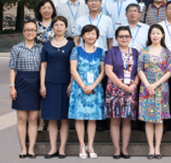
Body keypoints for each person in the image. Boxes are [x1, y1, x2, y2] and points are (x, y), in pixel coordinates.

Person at [39, 17, 74, 159]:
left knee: (65, 118)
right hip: (50, 84)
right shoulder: (47, 45)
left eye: (62, 25)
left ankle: (62, 148)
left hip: (66, 84)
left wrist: (71, 83)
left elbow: (74, 66)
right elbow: (43, 66)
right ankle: (53, 148)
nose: (59, 27)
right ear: (52, 28)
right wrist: (42, 84)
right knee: (52, 118)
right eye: (56, 25)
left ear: (66, 27)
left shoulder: (71, 45)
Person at [69, 24, 105, 159]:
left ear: (97, 36)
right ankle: (82, 145)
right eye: (88, 34)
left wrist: (93, 85)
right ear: (83, 36)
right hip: (79, 87)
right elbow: (73, 70)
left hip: (95, 88)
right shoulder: (76, 50)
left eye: (93, 34)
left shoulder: (101, 51)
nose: (91, 36)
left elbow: (103, 71)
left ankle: (90, 145)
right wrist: (84, 86)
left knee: (92, 118)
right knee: (79, 117)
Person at [138, 24, 171, 159]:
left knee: (159, 120)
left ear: (162, 35)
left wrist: (156, 84)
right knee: (148, 119)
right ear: (149, 35)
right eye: (153, 33)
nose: (155, 36)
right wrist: (148, 85)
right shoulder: (143, 51)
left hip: (161, 88)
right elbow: (140, 69)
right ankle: (150, 148)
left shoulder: (167, 52)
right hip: (146, 88)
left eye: (158, 33)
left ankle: (157, 148)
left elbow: (169, 71)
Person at [104, 26, 140, 159]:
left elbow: (139, 71)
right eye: (121, 36)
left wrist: (134, 85)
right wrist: (121, 85)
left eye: (126, 36)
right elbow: (108, 71)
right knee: (115, 120)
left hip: (131, 89)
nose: (124, 39)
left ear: (130, 38)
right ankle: (116, 149)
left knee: (126, 120)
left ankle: (124, 149)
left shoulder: (135, 52)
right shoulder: (111, 52)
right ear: (116, 38)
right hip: (114, 88)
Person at [10, 20, 42, 158]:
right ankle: (23, 148)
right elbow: (13, 69)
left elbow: (44, 68)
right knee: (22, 118)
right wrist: (12, 87)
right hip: (21, 82)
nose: (30, 32)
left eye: (33, 30)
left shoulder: (41, 48)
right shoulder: (16, 48)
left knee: (33, 119)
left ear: (36, 32)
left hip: (36, 82)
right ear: (23, 32)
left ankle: (31, 149)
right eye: (27, 30)